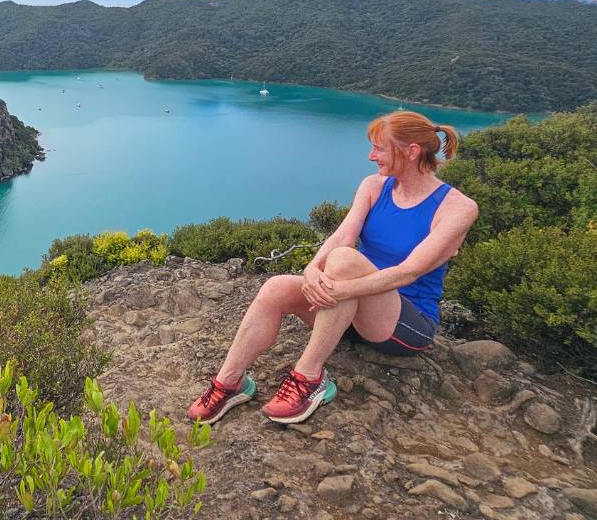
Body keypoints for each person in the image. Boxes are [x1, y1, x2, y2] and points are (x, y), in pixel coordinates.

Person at [187, 110, 479, 425]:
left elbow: (409, 271)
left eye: (380, 148)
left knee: (343, 260)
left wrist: (339, 289)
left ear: (411, 151)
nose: (371, 156)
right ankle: (229, 383)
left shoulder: (457, 208)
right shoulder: (375, 186)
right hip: (346, 311)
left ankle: (310, 378)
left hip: (402, 324)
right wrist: (312, 270)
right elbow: (342, 235)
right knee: (275, 288)